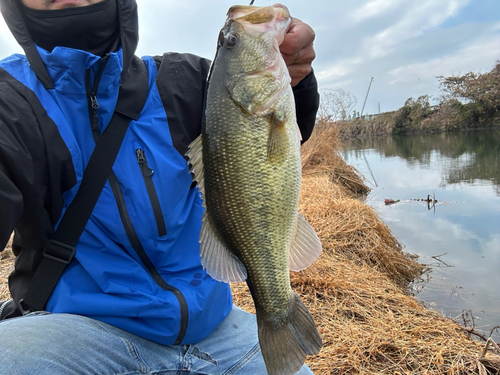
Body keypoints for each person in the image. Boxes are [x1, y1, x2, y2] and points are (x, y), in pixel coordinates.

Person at [0, 0, 320, 373]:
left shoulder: (190, 81)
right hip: (78, 335)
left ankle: (276, 311)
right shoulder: (10, 103)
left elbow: (273, 148)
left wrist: (297, 80)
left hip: (214, 327)